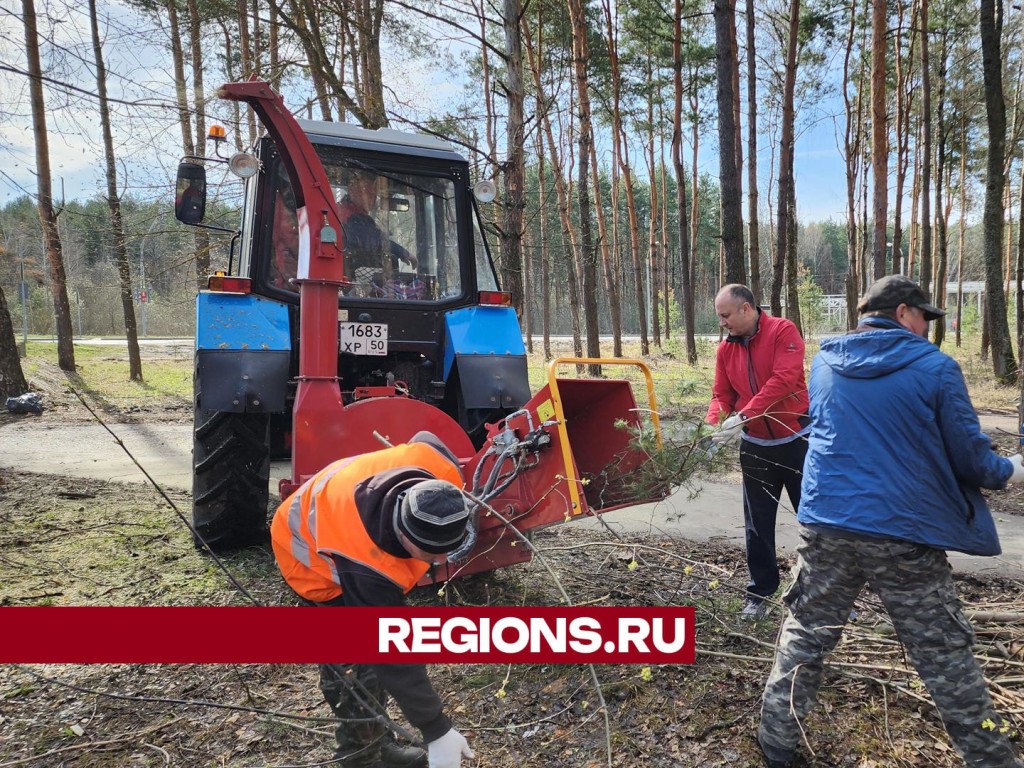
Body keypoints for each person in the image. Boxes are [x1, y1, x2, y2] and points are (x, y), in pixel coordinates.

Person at [757, 275, 1024, 768]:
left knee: (805, 635)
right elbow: (974, 462)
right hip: (902, 531)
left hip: (826, 525)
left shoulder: (825, 363)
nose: (927, 326)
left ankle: (775, 744)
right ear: (903, 312)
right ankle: (993, 760)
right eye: (924, 316)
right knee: (944, 654)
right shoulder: (935, 368)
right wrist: (1011, 468)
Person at [271, 432, 475, 768]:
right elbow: (392, 651)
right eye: (430, 555)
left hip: (339, 503)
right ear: (404, 536)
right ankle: (360, 757)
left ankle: (383, 745)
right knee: (356, 665)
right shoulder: (365, 568)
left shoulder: (440, 476)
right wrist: (436, 730)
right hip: (308, 558)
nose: (436, 561)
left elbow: (426, 439)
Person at [706, 283, 810, 620]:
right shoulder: (726, 350)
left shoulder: (783, 331)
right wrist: (713, 425)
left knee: (814, 522)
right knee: (757, 524)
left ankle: (821, 596)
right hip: (756, 448)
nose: (722, 322)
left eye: (725, 315)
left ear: (746, 309)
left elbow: (783, 380)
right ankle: (761, 592)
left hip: (797, 441)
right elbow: (720, 394)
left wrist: (743, 416)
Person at [339, 170, 417, 284]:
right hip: (347, 279)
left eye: (374, 192)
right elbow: (373, 239)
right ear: (352, 190)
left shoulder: (356, 214)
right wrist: (403, 253)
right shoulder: (347, 215)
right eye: (365, 190)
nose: (372, 197)